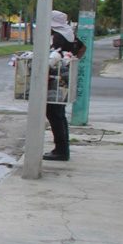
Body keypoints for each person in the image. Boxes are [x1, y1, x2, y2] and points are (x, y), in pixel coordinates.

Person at [44, 11, 85, 161]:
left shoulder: (58, 37)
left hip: (54, 79)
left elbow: (50, 56)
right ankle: (62, 148)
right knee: (59, 113)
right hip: (64, 79)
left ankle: (61, 150)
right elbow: (82, 48)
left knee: (53, 113)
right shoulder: (70, 35)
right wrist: (71, 62)